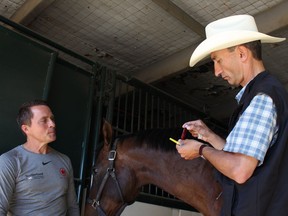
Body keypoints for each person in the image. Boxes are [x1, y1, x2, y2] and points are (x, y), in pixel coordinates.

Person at [176, 14, 288, 216]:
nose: (216, 71)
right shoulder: (261, 93)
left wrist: (200, 150)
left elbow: (240, 169)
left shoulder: (262, 97)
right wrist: (209, 136)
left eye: (218, 60)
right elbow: (244, 156)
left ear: (242, 54)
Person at [0, 99, 80, 216]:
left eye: (52, 119)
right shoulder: (10, 161)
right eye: (44, 120)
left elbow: (72, 206)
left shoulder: (64, 160)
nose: (52, 124)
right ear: (26, 129)